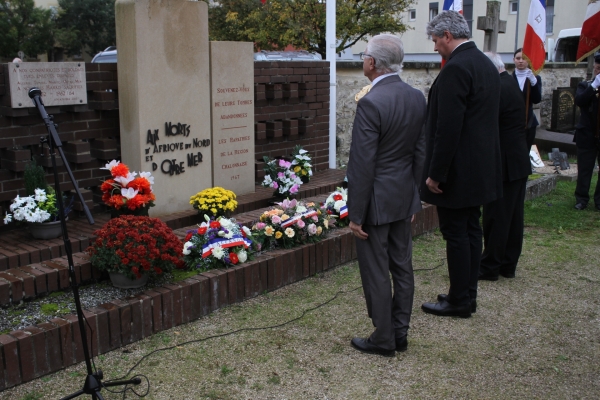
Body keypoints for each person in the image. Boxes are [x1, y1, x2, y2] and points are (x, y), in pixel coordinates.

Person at [347, 34, 426, 356]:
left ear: (372, 63)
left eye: (364, 55)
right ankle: (400, 332)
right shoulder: (416, 96)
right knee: (402, 266)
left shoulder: (371, 102)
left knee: (377, 270)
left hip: (376, 200)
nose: (363, 60)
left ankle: (383, 338)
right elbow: (420, 152)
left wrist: (356, 215)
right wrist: (413, 197)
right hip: (402, 195)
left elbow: (363, 164)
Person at [420, 11, 502, 318]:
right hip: (479, 167)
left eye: (435, 40)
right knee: (471, 230)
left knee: (456, 233)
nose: (435, 47)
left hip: (458, 170)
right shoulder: (485, 63)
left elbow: (448, 127)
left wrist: (436, 173)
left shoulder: (457, 68)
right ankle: (466, 294)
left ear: (447, 35)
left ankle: (458, 301)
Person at [478, 53, 531, 281]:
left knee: (497, 216)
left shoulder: (498, 88)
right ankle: (507, 264)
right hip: (517, 160)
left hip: (505, 162)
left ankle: (491, 266)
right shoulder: (509, 83)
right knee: (512, 216)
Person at [573, 52, 600, 211]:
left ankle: (599, 200)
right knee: (584, 169)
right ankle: (581, 199)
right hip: (587, 134)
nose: (599, 69)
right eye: (597, 67)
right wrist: (594, 85)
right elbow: (580, 101)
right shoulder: (585, 85)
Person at [513, 48, 542, 150]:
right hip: (512, 121)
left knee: (525, 151)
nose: (520, 61)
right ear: (514, 60)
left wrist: (534, 83)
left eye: (524, 58)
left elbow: (537, 99)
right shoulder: (509, 78)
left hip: (528, 122)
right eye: (518, 58)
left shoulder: (534, 78)